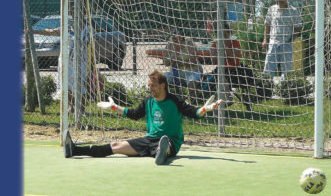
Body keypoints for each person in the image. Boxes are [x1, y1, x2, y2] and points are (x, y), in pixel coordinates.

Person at [62, 69, 222, 165]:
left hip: (170, 141)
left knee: (163, 144)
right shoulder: (148, 101)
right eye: (149, 86)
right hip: (148, 140)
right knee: (116, 146)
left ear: (162, 85)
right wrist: (114, 107)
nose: (150, 88)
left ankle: (162, 152)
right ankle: (74, 150)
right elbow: (134, 114)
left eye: (152, 85)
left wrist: (205, 109)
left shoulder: (175, 101)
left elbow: (194, 113)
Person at [31, 23, 90, 114]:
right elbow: (50, 32)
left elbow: (89, 45)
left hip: (80, 61)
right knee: (66, 84)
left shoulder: (87, 30)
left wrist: (92, 64)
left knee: (80, 84)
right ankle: (70, 106)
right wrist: (34, 31)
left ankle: (82, 108)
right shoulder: (66, 28)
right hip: (66, 60)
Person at [262, 0, 303, 81]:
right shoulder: (271, 9)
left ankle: (284, 89)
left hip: (286, 43)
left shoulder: (293, 11)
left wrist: (291, 39)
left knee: (286, 69)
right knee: (268, 67)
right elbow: (267, 25)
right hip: (273, 42)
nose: (278, 0)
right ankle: (266, 87)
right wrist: (265, 40)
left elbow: (298, 26)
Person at [162, 30, 203, 97]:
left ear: (181, 36)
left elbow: (193, 61)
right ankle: (165, 98)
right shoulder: (170, 45)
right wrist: (170, 60)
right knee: (161, 77)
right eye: (172, 36)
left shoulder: (189, 44)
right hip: (176, 72)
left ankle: (193, 99)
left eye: (175, 35)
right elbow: (165, 63)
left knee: (192, 81)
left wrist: (177, 62)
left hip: (192, 71)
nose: (173, 38)